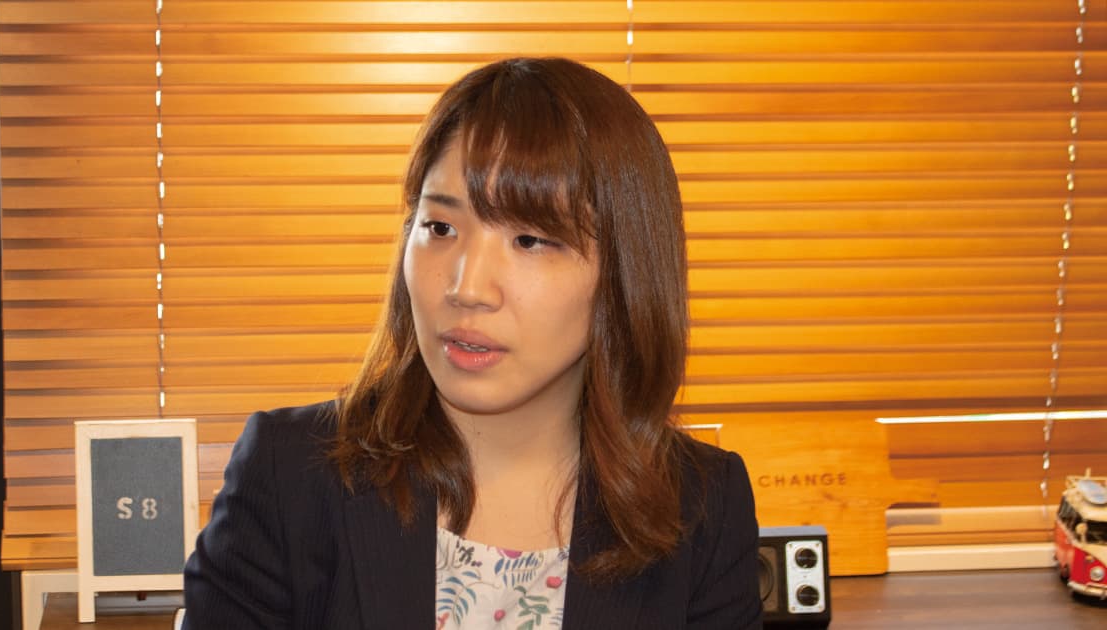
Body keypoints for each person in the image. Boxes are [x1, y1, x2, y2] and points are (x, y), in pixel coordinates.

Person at [183, 57, 761, 629]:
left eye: (530, 239)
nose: (466, 288)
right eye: (440, 228)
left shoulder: (703, 509)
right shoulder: (288, 475)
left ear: (623, 270)